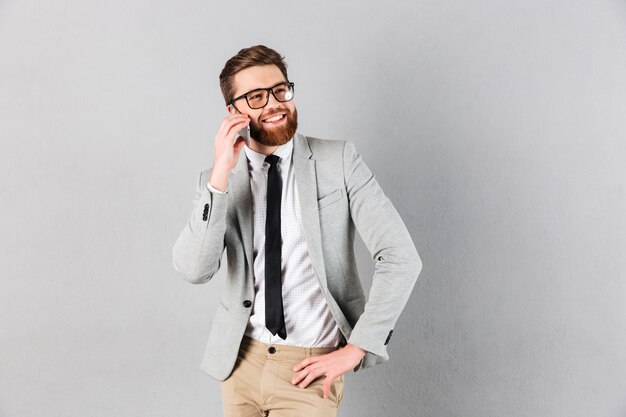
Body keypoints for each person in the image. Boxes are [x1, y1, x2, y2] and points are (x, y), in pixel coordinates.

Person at [172, 45, 422, 417]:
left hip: (309, 369)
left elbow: (401, 257)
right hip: (240, 365)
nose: (274, 104)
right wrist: (220, 173)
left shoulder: (338, 160)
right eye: (256, 97)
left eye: (280, 90)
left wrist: (359, 347)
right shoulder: (217, 182)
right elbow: (194, 269)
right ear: (233, 113)